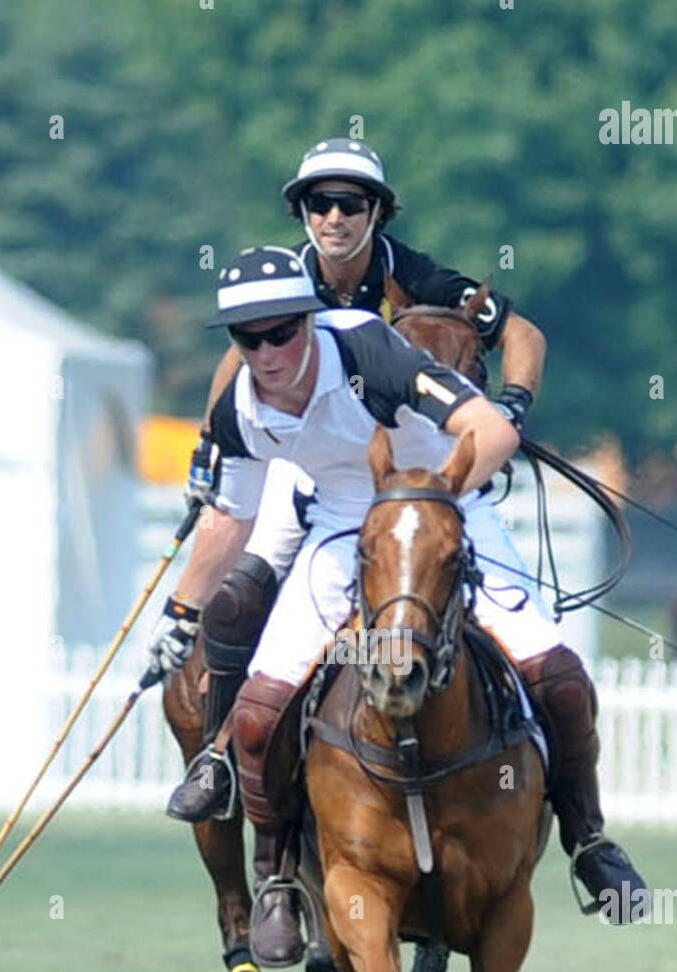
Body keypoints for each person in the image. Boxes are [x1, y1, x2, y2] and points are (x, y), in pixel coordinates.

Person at [149, 246, 647, 969]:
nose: (267, 352)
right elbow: (231, 518)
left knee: (560, 677)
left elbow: (493, 430)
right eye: (247, 338)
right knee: (254, 715)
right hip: (340, 526)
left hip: (443, 504)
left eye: (281, 331)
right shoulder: (241, 409)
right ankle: (276, 884)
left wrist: (431, 502)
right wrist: (181, 614)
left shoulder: (367, 354)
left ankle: (590, 841)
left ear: (307, 321)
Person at [166, 138, 544, 826]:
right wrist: (206, 447)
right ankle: (220, 753)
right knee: (243, 589)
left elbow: (522, 333)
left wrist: (510, 404)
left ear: (377, 213)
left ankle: (566, 810)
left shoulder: (418, 276)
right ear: (302, 213)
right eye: (319, 203)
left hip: (413, 469)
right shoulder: (285, 278)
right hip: (307, 462)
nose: (333, 217)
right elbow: (240, 366)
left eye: (349, 203)